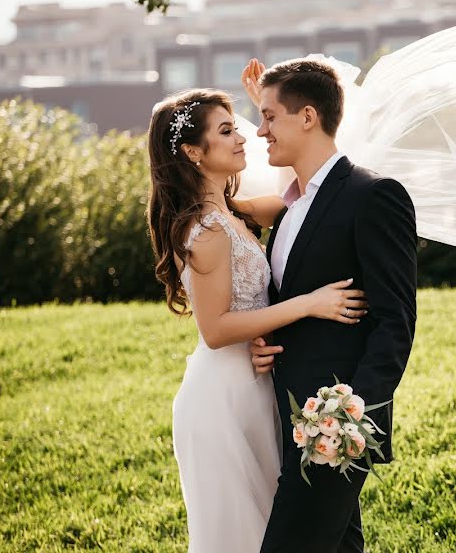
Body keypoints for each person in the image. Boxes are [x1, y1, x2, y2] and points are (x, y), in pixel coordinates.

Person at [145, 88, 370, 552]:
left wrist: (275, 121)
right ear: (192, 151)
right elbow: (216, 329)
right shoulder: (204, 231)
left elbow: (303, 195)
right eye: (227, 131)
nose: (245, 137)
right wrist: (307, 304)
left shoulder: (232, 214)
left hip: (253, 387)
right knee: (239, 537)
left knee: (273, 530)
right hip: (221, 400)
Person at [242, 59, 419, 553]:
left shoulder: (373, 195)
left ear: (308, 117)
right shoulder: (291, 206)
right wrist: (265, 342)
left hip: (335, 432)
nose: (260, 131)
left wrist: (351, 417)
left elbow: (395, 321)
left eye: (270, 117)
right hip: (287, 418)